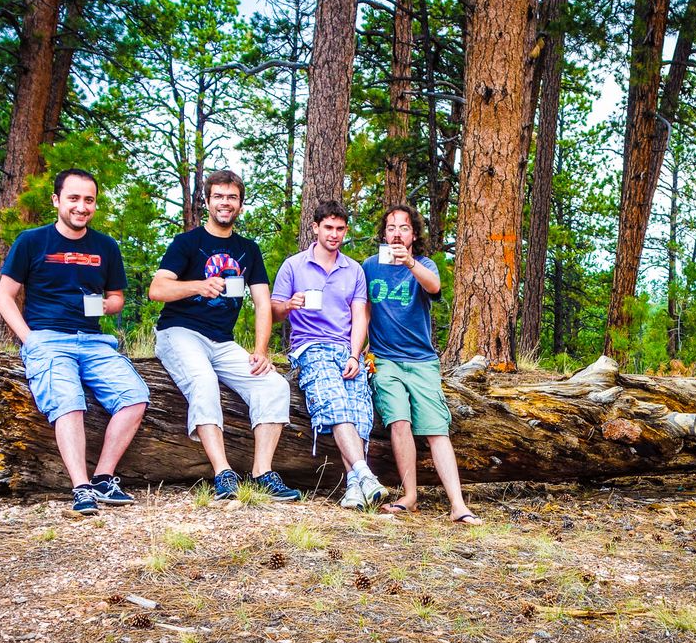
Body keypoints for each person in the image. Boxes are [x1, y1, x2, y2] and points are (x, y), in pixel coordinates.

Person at [0, 168, 149, 516]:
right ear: (57, 200)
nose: (81, 207)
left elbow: (117, 297)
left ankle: (103, 478)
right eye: (74, 199)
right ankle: (80, 488)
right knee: (69, 399)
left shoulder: (106, 246)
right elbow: (5, 296)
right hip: (48, 339)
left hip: (95, 341)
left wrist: (110, 304)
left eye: (89, 200)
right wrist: (29, 339)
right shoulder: (32, 241)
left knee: (135, 397)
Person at [149, 169, 300, 502]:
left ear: (241, 205)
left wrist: (261, 350)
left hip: (222, 341)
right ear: (207, 201)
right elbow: (157, 289)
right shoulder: (187, 243)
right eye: (218, 196)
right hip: (180, 332)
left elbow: (263, 302)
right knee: (203, 381)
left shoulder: (247, 249)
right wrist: (199, 285)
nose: (225, 203)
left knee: (273, 384)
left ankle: (262, 473)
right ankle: (223, 473)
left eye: (232, 197)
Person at [362, 205, 481, 525]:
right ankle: (410, 496)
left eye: (403, 227)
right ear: (383, 234)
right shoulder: (370, 266)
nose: (397, 233)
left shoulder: (424, 264)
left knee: (435, 429)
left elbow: (434, 288)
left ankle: (458, 505)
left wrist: (410, 262)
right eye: (391, 228)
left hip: (422, 361)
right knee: (399, 422)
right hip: (385, 360)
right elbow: (362, 312)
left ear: (414, 234)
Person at [271, 200, 387, 510]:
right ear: (316, 228)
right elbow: (273, 312)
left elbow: (360, 316)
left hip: (345, 350)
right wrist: (289, 305)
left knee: (360, 411)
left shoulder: (354, 270)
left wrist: (354, 355)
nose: (334, 234)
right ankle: (364, 473)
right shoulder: (294, 265)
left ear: (345, 231)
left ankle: (353, 487)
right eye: (328, 228)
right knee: (334, 402)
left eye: (339, 229)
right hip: (310, 347)